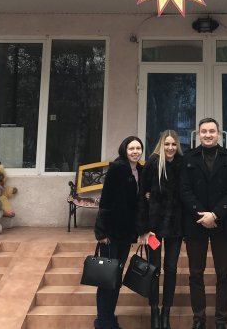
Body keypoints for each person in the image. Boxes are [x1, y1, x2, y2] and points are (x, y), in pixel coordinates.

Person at [180, 118, 227, 329]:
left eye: (212, 131)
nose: (208, 135)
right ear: (198, 134)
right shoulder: (188, 157)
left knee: (224, 275)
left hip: (222, 223)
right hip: (195, 224)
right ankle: (199, 320)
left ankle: (221, 321)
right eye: (204, 131)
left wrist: (215, 215)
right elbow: (184, 190)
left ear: (218, 133)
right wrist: (203, 215)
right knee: (196, 274)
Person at [94, 136, 144, 329]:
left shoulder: (139, 170)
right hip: (111, 233)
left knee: (116, 277)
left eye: (138, 148)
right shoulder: (117, 168)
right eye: (131, 148)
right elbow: (106, 201)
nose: (135, 152)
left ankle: (109, 317)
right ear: (124, 150)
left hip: (125, 234)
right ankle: (103, 321)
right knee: (107, 278)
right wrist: (102, 232)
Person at [137, 130, 184, 329]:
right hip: (153, 229)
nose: (170, 148)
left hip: (175, 228)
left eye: (173, 144)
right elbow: (142, 197)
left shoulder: (182, 165)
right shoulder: (152, 164)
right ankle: (154, 311)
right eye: (167, 144)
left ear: (177, 145)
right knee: (154, 268)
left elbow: (186, 194)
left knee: (171, 268)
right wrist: (143, 229)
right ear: (161, 145)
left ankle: (166, 311)